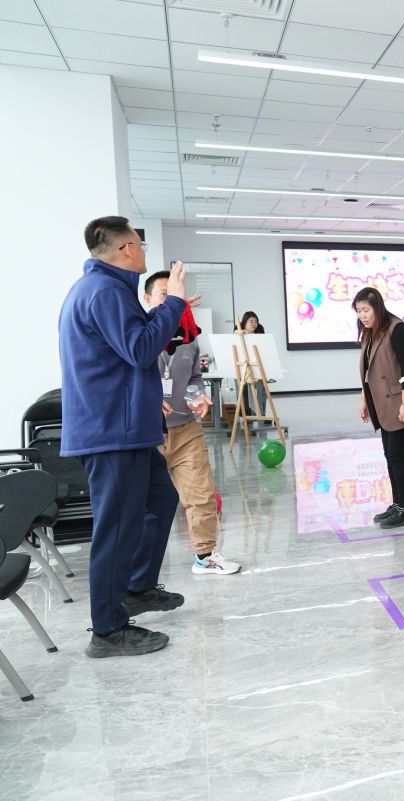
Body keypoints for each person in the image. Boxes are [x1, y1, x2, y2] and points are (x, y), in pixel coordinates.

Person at [59, 217, 188, 658]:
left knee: (161, 499)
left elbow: (126, 349)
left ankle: (136, 588)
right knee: (115, 529)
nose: (144, 251)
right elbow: (139, 349)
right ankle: (108, 631)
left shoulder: (104, 290)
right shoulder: (105, 292)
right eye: (140, 243)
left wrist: (166, 314)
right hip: (113, 432)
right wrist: (172, 303)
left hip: (124, 427)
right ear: (126, 249)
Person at [144, 270, 241, 575]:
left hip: (186, 430)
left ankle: (206, 556)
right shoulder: (139, 336)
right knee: (144, 503)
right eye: (164, 294)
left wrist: (197, 396)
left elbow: (195, 377)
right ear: (147, 299)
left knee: (201, 494)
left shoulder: (189, 337)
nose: (171, 301)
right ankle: (140, 567)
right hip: (149, 434)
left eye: (175, 295)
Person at [356, 287, 404, 530]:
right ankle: (398, 504)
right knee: (391, 456)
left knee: (399, 456)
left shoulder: (399, 330)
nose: (362, 315)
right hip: (385, 405)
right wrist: (364, 399)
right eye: (358, 311)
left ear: (377, 307)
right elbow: (370, 372)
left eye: (366, 310)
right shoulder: (371, 332)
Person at [236, 310, 268, 424]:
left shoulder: (259, 333)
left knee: (261, 392)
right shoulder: (238, 333)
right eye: (251, 321)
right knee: (244, 393)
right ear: (245, 323)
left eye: (256, 321)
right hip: (243, 369)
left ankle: (261, 415)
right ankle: (247, 417)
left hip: (257, 368)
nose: (254, 324)